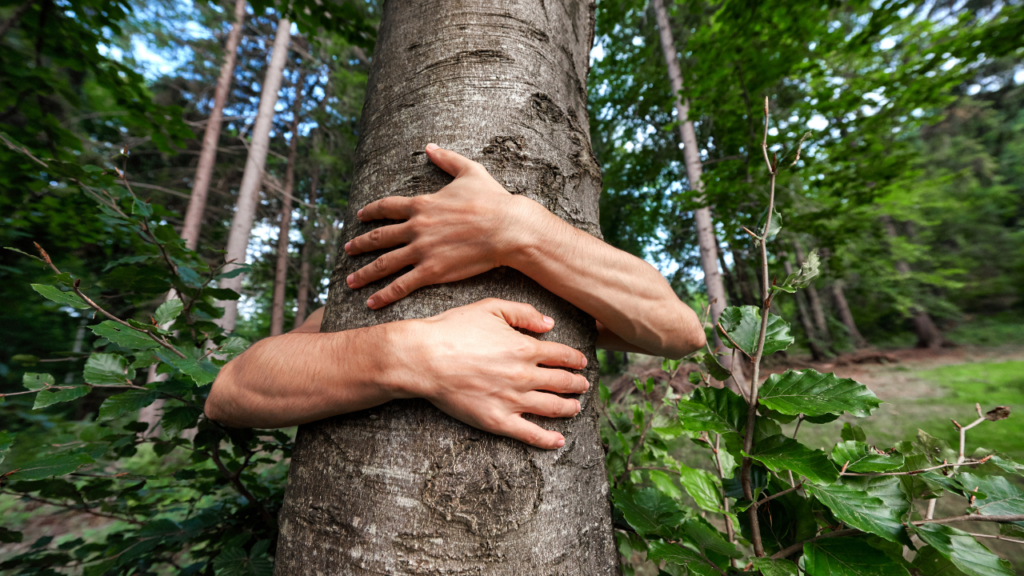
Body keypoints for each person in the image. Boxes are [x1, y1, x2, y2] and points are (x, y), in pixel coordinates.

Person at [205, 144, 706, 449]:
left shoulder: (560, 288)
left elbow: (679, 331)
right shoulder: (373, 296)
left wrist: (514, 227)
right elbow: (231, 392)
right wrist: (416, 355)